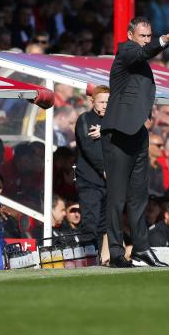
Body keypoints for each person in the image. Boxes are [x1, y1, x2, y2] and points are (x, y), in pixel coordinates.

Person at [101, 16, 169, 268]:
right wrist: (167, 38)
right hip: (118, 133)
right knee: (117, 198)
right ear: (130, 36)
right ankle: (116, 252)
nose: (146, 41)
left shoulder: (139, 57)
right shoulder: (126, 51)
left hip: (137, 133)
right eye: (142, 36)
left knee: (140, 198)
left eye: (149, 36)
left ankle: (141, 248)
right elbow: (144, 53)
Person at [74, 85, 109, 256]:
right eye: (101, 102)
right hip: (89, 181)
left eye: (108, 102)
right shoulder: (85, 119)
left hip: (108, 183)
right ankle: (87, 260)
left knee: (104, 225)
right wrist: (104, 168)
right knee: (90, 223)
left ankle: (100, 260)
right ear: (92, 101)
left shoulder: (112, 123)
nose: (105, 105)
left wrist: (107, 132)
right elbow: (89, 148)